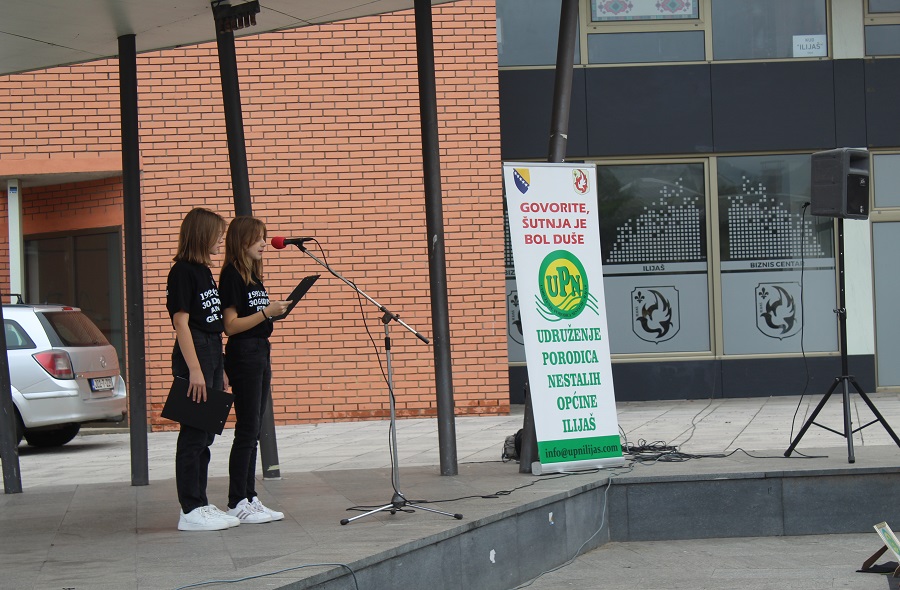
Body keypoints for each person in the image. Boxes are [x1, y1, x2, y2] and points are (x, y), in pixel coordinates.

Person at [166, 207, 239, 532]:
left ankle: (201, 502)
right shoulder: (182, 272)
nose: (221, 240)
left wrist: (218, 367)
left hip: (211, 351)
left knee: (206, 435)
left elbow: (211, 323)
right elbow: (181, 323)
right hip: (194, 354)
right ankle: (190, 508)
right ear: (202, 235)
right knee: (194, 435)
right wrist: (195, 370)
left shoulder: (203, 271)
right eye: (217, 235)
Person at [219, 216, 291, 524]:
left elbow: (256, 317)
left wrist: (272, 312)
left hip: (260, 351)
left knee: (254, 429)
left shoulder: (253, 276)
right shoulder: (231, 275)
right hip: (244, 354)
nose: (264, 243)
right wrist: (265, 312)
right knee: (247, 430)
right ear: (243, 240)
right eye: (259, 238)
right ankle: (237, 500)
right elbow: (231, 326)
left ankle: (249, 497)